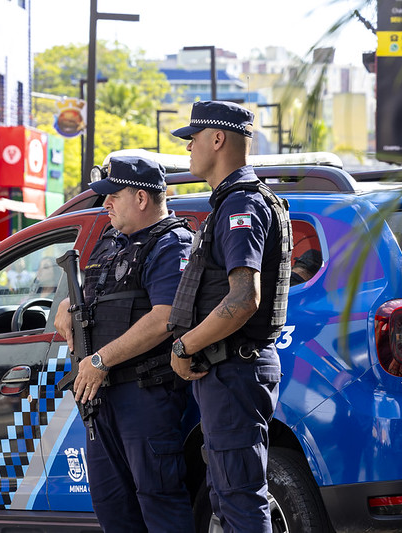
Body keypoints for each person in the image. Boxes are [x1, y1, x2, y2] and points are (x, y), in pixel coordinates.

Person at [167, 101, 292, 533]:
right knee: (226, 495)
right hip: (226, 369)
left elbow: (243, 298)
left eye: (192, 139)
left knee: (239, 497)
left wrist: (185, 345)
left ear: (217, 139)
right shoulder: (232, 201)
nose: (188, 149)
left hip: (234, 367)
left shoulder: (242, 204)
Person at [53, 155, 194, 533]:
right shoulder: (111, 241)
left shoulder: (172, 244)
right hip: (103, 400)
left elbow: (165, 316)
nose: (106, 203)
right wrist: (69, 305)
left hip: (145, 395)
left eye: (113, 195)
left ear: (142, 198)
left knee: (158, 500)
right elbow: (95, 295)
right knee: (111, 504)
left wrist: (100, 360)